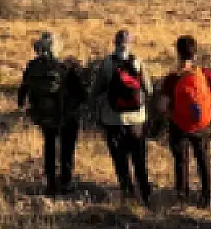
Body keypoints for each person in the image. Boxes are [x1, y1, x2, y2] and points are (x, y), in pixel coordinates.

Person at [156, 36, 211, 208]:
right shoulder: (204, 73)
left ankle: (182, 198)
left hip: (179, 124)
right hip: (202, 124)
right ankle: (207, 197)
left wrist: (172, 114)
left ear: (178, 53)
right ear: (195, 52)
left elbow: (161, 106)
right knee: (203, 159)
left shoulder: (173, 78)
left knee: (181, 160)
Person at [18, 31, 85, 195]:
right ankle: (66, 182)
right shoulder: (67, 67)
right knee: (67, 149)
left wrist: (26, 107)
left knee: (49, 146)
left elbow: (23, 91)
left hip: (45, 116)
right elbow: (82, 93)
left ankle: (50, 182)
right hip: (67, 115)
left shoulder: (33, 66)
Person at [92, 30, 153, 205]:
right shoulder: (138, 62)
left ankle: (128, 194)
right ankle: (146, 195)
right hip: (136, 121)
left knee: (120, 160)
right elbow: (148, 89)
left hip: (113, 120)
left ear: (115, 43)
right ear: (130, 43)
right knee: (139, 159)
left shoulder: (106, 64)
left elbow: (96, 90)